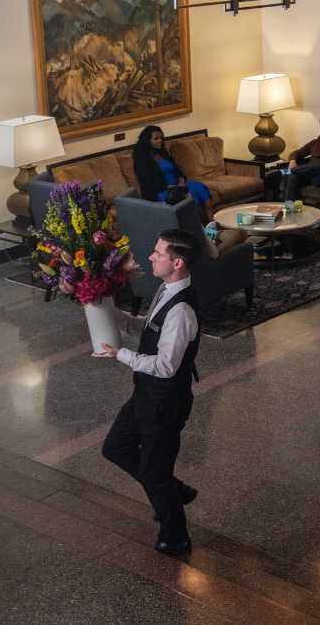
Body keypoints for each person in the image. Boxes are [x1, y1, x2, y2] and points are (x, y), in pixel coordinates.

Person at [94, 228, 203, 557]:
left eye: (158, 253)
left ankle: (176, 538)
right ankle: (176, 492)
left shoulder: (182, 311)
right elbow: (149, 328)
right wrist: (107, 311)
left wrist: (121, 355)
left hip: (166, 402)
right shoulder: (165, 289)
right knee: (115, 447)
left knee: (156, 474)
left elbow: (167, 366)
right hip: (146, 393)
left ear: (177, 262)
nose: (151, 257)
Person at [133, 126, 215, 222]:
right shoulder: (141, 160)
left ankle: (213, 224)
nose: (160, 141)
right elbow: (148, 185)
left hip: (177, 184)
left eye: (160, 138)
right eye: (156, 138)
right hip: (160, 191)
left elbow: (177, 170)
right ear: (147, 141)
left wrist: (181, 179)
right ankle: (203, 227)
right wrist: (172, 187)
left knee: (200, 187)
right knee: (189, 194)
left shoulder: (163, 153)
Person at [268, 116, 320, 202]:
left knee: (319, 164)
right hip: (307, 173)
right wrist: (292, 161)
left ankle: (283, 172)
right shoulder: (314, 142)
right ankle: (287, 207)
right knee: (292, 177)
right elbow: (296, 153)